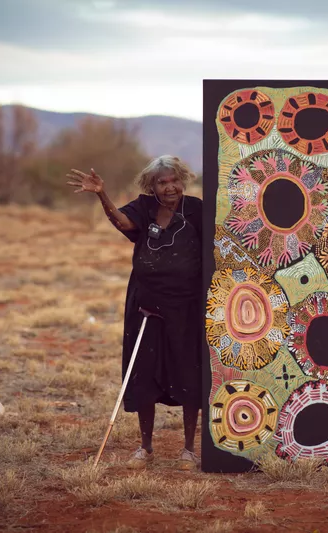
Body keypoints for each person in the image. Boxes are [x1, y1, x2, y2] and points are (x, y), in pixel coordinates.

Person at [66, 156, 204, 470]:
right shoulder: (143, 208)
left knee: (189, 373)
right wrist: (102, 195)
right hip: (146, 306)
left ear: (182, 180)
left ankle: (188, 450)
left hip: (187, 308)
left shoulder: (197, 209)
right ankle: (145, 447)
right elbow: (123, 223)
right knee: (143, 374)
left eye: (173, 180)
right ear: (151, 186)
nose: (170, 187)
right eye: (162, 182)